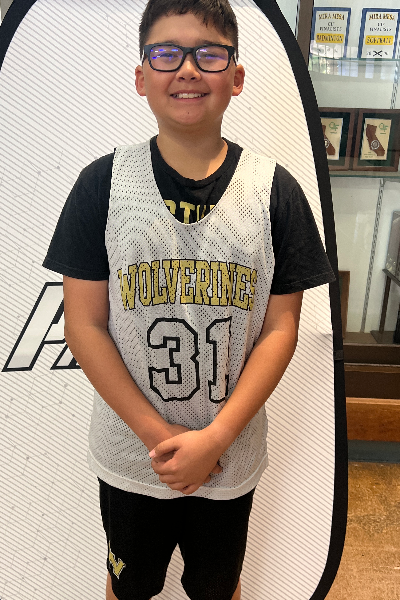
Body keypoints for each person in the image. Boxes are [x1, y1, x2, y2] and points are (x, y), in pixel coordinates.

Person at [43, 0, 335, 598]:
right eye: (166, 53)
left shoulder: (275, 192)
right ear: (140, 75)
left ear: (237, 76)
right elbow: (84, 325)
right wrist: (158, 436)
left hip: (230, 455)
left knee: (216, 586)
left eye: (209, 54)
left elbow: (280, 329)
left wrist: (215, 439)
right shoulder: (102, 185)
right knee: (128, 585)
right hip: (132, 454)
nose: (187, 69)